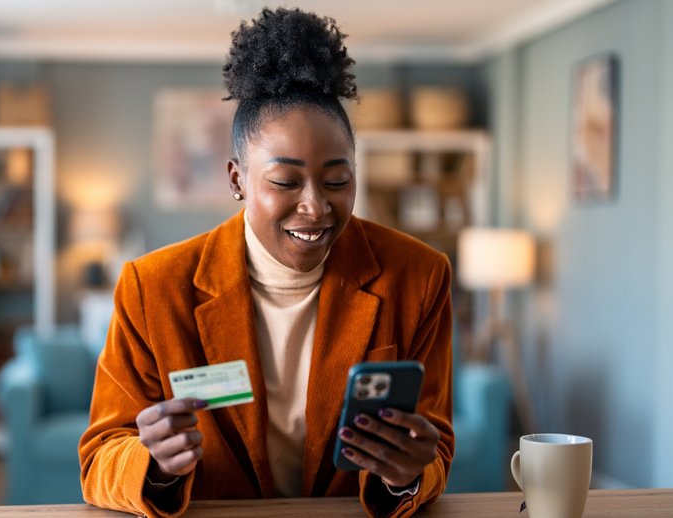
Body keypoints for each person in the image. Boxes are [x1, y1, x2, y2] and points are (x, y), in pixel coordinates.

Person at [79, 7, 453, 517]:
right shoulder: (152, 288)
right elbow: (101, 456)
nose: (316, 207)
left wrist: (408, 474)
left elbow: (435, 448)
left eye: (338, 181)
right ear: (237, 180)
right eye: (285, 182)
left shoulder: (419, 276)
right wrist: (154, 464)